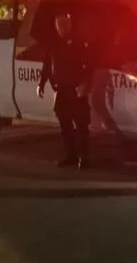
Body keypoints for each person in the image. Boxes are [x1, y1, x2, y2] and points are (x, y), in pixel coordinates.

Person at [37, 13, 93, 169]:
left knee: (81, 126)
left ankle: (84, 158)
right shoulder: (53, 44)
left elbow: (89, 66)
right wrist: (41, 83)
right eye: (59, 24)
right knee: (65, 125)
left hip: (76, 90)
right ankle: (70, 155)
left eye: (64, 24)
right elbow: (47, 65)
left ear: (70, 24)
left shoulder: (79, 43)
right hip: (61, 90)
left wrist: (85, 85)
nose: (62, 27)